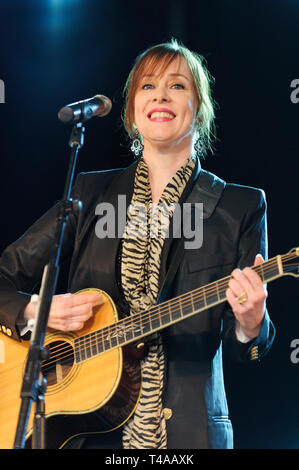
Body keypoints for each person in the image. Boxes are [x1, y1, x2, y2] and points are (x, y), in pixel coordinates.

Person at [0, 39, 274, 449]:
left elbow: (246, 350)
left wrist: (251, 324)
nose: (161, 94)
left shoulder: (239, 205)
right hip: (89, 435)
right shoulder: (90, 192)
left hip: (187, 436)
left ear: (199, 109)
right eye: (147, 86)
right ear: (131, 110)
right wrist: (35, 309)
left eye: (178, 86)